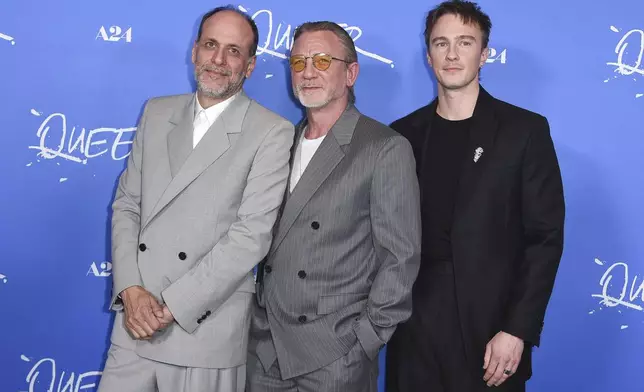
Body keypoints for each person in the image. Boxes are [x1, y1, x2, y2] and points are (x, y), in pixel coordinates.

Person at [96, 6, 294, 392]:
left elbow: (250, 236)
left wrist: (172, 307)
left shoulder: (271, 131)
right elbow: (126, 204)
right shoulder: (157, 112)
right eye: (210, 45)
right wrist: (131, 291)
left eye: (233, 51)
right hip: (134, 327)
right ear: (194, 51)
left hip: (203, 331)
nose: (218, 60)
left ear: (250, 66)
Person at [384, 1, 565, 391]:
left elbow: (544, 240)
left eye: (465, 43)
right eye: (441, 43)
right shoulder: (401, 135)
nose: (451, 54)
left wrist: (516, 330)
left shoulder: (524, 131)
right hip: (412, 331)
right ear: (428, 54)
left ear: (484, 54)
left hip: (491, 336)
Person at [245, 21, 422, 392]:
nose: (308, 72)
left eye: (323, 60)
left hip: (335, 358)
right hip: (265, 351)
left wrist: (365, 341)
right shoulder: (278, 143)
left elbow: (400, 257)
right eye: (298, 62)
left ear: (351, 73)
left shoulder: (383, 147)